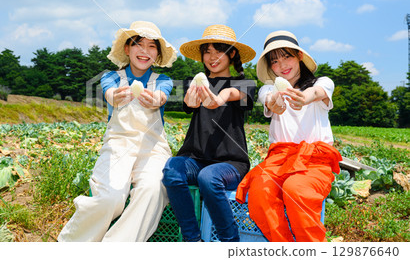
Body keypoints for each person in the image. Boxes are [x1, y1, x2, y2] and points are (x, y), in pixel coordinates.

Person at [58, 21, 177, 242]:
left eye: (152, 46)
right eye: (138, 44)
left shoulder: (162, 80)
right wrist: (115, 96)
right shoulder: (112, 77)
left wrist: (156, 100)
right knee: (110, 198)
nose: (144, 51)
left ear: (157, 54)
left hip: (153, 149)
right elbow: (109, 93)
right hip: (118, 145)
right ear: (127, 49)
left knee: (153, 189)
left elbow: (162, 96)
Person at [235, 30, 342, 242]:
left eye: (287, 56)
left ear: (299, 56)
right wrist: (276, 101)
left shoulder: (322, 82)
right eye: (274, 61)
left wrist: (303, 98)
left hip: (314, 161)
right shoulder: (268, 89)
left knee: (296, 189)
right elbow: (270, 99)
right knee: (260, 192)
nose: (282, 65)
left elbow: (317, 93)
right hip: (278, 160)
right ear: (270, 67)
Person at [162, 24, 256, 242]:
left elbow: (232, 93)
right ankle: (193, 240)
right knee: (171, 170)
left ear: (232, 53)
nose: (212, 57)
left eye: (219, 50)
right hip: (194, 159)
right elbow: (189, 102)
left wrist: (219, 99)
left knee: (208, 177)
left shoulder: (245, 84)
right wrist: (190, 99)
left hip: (230, 163)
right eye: (207, 51)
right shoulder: (194, 84)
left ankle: (229, 241)